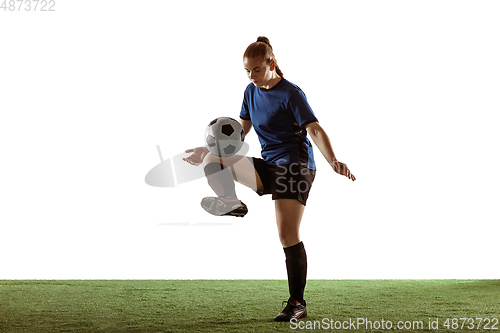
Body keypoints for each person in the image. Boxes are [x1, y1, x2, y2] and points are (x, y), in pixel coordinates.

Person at [183, 36, 355, 322]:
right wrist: (208, 147)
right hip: (271, 165)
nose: (252, 76)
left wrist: (333, 160)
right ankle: (229, 201)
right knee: (215, 160)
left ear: (271, 64)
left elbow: (314, 129)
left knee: (287, 235)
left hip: (295, 167)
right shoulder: (250, 92)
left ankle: (297, 303)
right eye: (247, 71)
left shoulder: (291, 93)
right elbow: (238, 133)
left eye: (257, 70)